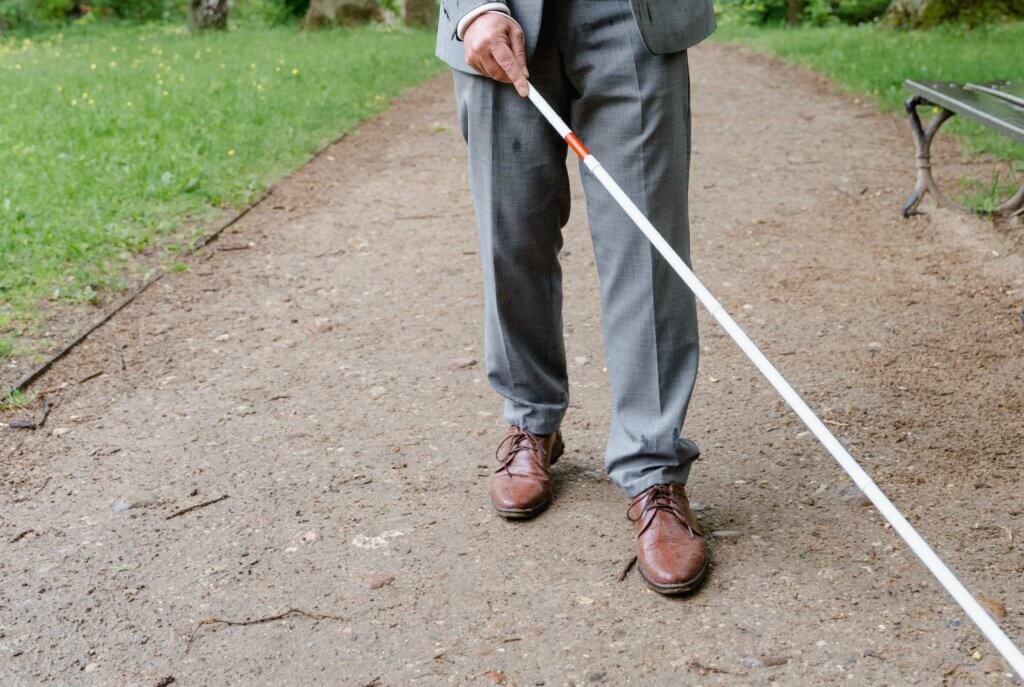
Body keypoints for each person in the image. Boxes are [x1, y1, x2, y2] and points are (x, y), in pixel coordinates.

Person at [436, 0, 716, 595]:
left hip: (635, 18)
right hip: (497, 18)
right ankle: (531, 419)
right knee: (512, 236)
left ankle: (654, 468)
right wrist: (472, 8)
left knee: (647, 247)